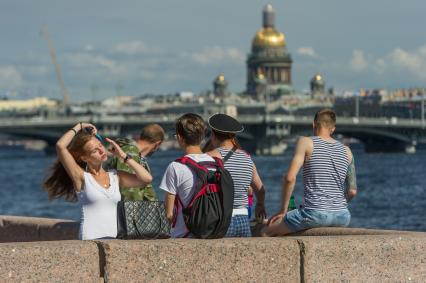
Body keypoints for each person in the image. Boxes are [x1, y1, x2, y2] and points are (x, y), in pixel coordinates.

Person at [43, 122, 153, 240]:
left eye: (100, 145)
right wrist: (80, 126)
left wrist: (123, 156)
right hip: (90, 241)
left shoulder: (116, 176)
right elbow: (60, 146)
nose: (101, 151)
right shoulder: (82, 177)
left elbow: (146, 179)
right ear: (84, 158)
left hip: (115, 240)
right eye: (95, 150)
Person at [262, 109, 357, 236]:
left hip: (315, 214)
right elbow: (352, 191)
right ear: (333, 129)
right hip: (343, 216)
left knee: (265, 232)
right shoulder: (347, 151)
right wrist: (334, 204)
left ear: (314, 125)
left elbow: (290, 178)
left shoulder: (306, 142)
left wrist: (282, 210)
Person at [207, 113, 266, 237]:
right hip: (243, 220)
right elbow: (260, 189)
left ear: (213, 135)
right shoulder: (247, 158)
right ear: (233, 136)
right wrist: (260, 204)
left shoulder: (209, 157)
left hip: (221, 220)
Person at [159, 113, 215, 238]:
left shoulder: (175, 167)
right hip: (210, 234)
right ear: (201, 138)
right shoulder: (216, 164)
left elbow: (169, 214)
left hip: (183, 235)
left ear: (179, 138)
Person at [105, 123, 165, 201]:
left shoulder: (133, 152)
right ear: (157, 144)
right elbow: (129, 191)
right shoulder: (130, 152)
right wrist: (136, 212)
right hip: (131, 210)